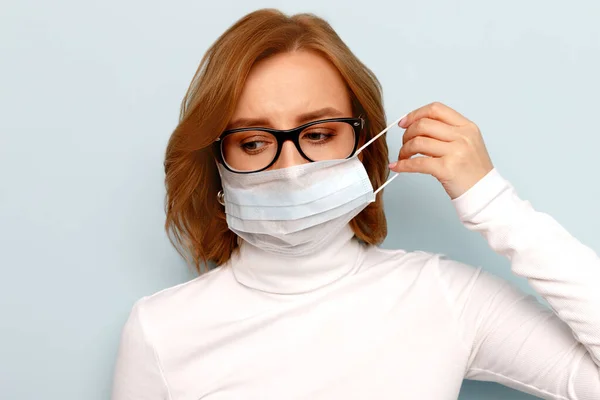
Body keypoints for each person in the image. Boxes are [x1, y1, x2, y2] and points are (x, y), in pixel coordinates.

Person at [111, 8, 600, 400]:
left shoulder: (445, 298)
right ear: (217, 163)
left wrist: (491, 201)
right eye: (254, 142)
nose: (290, 169)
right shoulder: (160, 330)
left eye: (319, 134)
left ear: (364, 149)